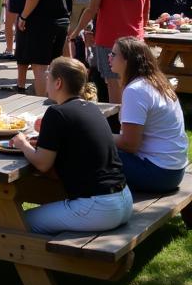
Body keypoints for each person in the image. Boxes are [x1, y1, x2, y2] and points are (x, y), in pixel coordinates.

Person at [11, 57, 132, 233]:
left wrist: (22, 143)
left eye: (48, 75)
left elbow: (43, 164)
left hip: (98, 207)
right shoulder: (92, 108)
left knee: (18, 222)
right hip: (124, 199)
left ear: (58, 82)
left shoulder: (56, 113)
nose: (46, 79)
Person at [70, 0, 150, 104]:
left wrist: (76, 31)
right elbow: (145, 14)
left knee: (113, 85)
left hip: (108, 39)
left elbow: (92, 8)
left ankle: (119, 125)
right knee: (134, 83)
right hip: (136, 38)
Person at [109, 36, 189, 192]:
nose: (109, 56)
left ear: (127, 61)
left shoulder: (136, 90)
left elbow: (129, 144)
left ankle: (91, 204)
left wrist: (98, 134)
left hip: (158, 173)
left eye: (114, 54)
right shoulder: (156, 82)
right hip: (174, 170)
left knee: (90, 149)